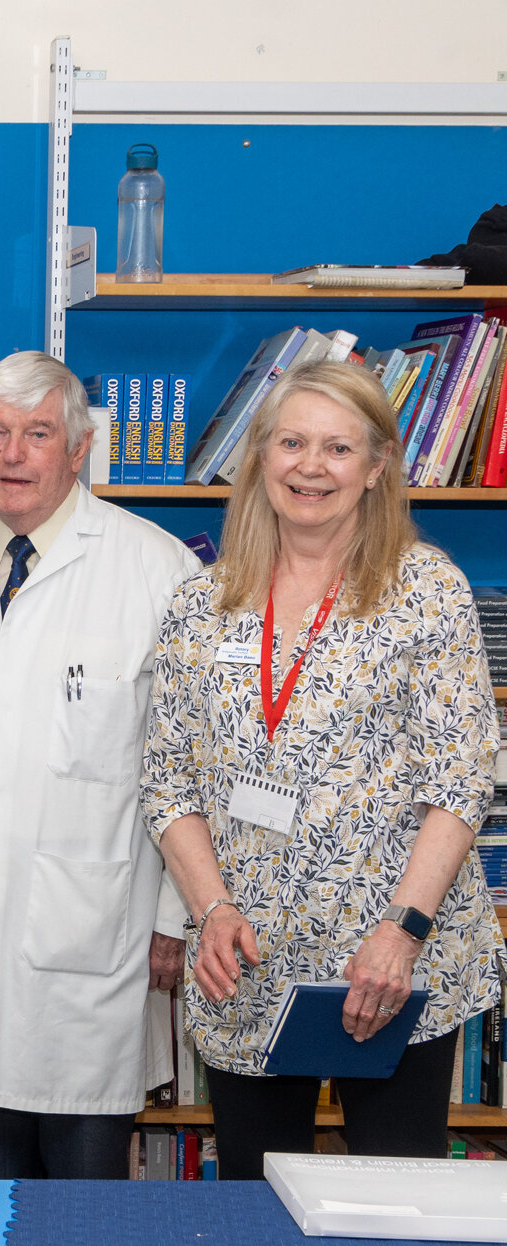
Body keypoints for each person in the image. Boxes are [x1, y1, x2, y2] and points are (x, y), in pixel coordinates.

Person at [142, 361, 503, 1180]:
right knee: (254, 1206)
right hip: (247, 962)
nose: (311, 466)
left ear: (376, 467)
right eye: (292, 442)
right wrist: (211, 909)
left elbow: (460, 780)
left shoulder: (427, 591)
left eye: (338, 448)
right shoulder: (203, 603)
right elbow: (167, 780)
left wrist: (401, 933)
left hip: (389, 967)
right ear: (260, 456)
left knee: (390, 1203)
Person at [0, 350, 197, 1180]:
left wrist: (177, 913)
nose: (13, 453)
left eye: (37, 433)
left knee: (81, 1204)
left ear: (79, 448)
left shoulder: (157, 569)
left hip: (95, 939)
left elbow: (191, 764)